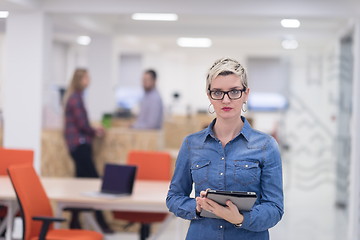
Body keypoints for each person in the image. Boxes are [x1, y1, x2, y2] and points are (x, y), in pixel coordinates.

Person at [166, 58, 284, 240]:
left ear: (246, 94)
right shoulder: (191, 144)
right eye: (218, 92)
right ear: (209, 95)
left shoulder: (266, 146)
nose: (226, 99)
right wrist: (197, 207)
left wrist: (240, 218)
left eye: (234, 92)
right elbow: (174, 198)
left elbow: (275, 208)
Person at [63, 68, 113, 233]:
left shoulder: (75, 97)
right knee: (94, 182)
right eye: (87, 78)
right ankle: (101, 222)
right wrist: (95, 131)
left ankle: (75, 222)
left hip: (77, 145)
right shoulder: (76, 99)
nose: (89, 80)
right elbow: (82, 125)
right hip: (80, 145)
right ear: (80, 79)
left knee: (80, 183)